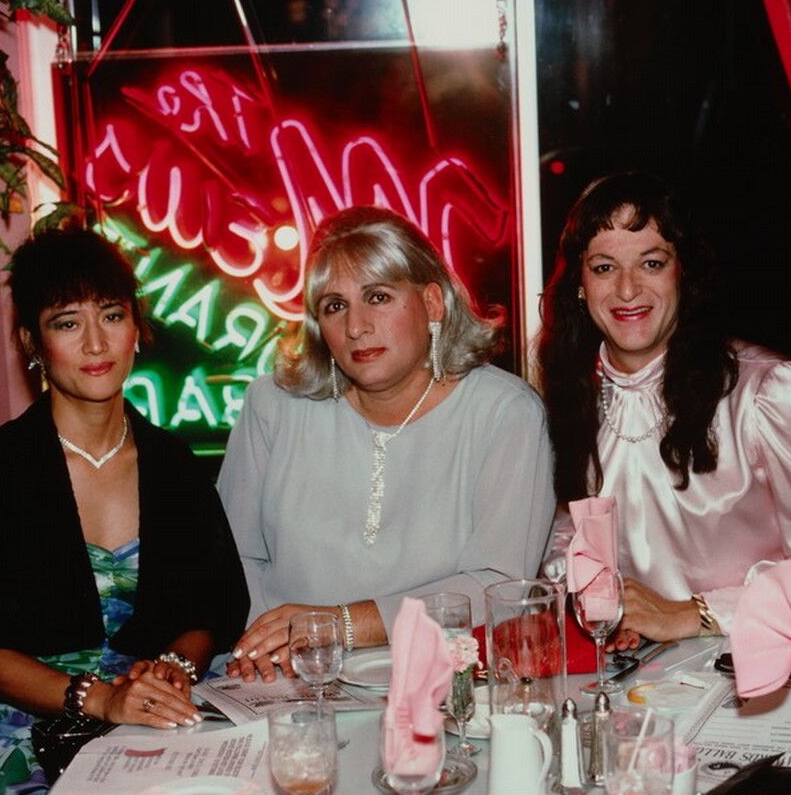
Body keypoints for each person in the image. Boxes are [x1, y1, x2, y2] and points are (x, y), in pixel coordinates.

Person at [0, 226, 249, 795]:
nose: (96, 343)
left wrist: (174, 668)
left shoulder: (175, 466)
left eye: (111, 316)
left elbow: (210, 611)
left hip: (159, 715)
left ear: (136, 329)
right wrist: (103, 698)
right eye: (67, 323)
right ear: (32, 342)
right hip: (25, 730)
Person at [219, 205, 555, 681]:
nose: (356, 327)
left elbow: (501, 584)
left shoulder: (506, 413)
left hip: (439, 682)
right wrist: (263, 645)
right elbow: (234, 559)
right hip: (285, 681)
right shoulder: (273, 405)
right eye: (334, 306)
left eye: (377, 297)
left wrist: (342, 625)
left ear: (433, 303)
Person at [537, 171, 791, 647]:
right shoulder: (569, 397)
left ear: (683, 272)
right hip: (634, 677)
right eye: (605, 267)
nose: (627, 290)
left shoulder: (770, 394)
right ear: (580, 284)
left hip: (762, 662)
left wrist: (695, 614)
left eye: (651, 263)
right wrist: (596, 602)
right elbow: (565, 537)